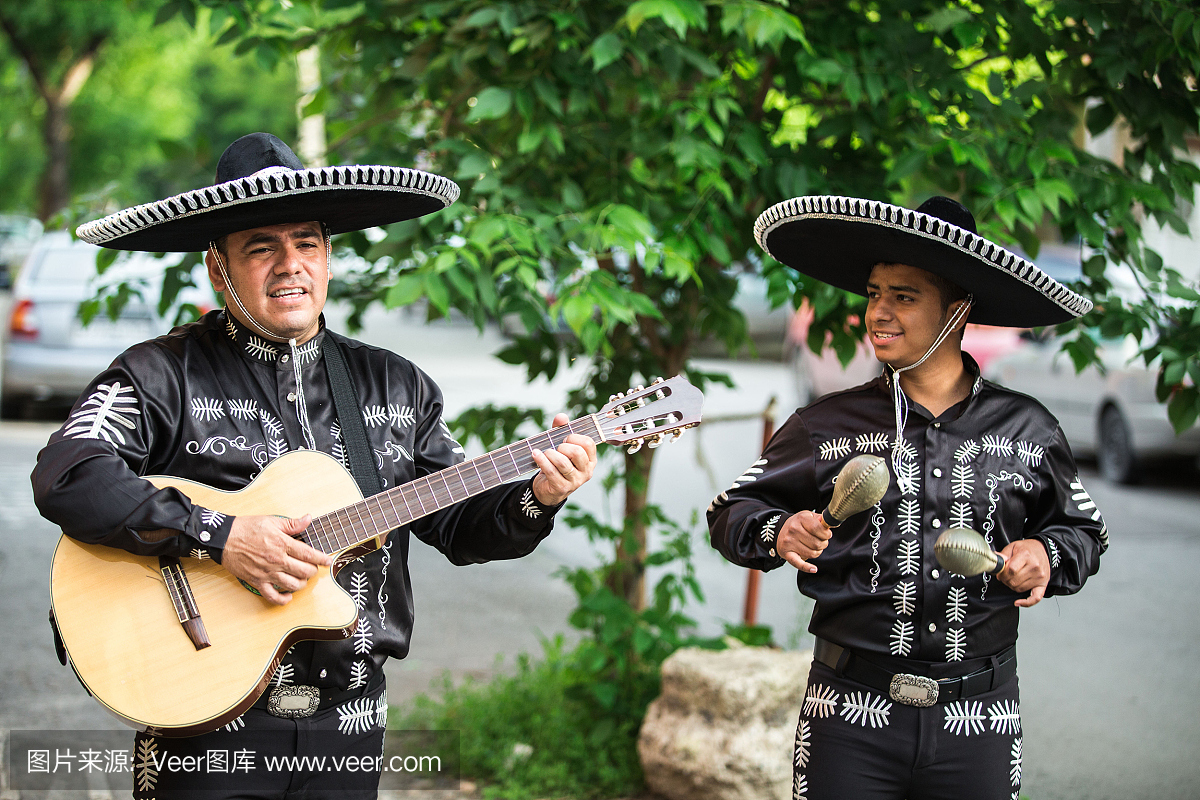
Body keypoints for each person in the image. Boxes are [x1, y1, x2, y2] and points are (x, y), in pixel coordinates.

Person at [33, 132, 598, 798]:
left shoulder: (396, 386)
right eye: (261, 247)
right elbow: (69, 472)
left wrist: (538, 494)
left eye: (306, 242)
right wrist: (221, 536)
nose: (289, 265)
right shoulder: (160, 373)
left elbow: (464, 528)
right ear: (219, 269)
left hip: (350, 722)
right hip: (201, 715)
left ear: (328, 256)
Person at [708, 195, 1107, 799]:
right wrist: (777, 531)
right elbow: (729, 513)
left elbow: (1084, 532)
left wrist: (1048, 555)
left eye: (904, 296)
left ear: (957, 309)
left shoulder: (1030, 428)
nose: (878, 313)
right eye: (873, 293)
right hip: (846, 714)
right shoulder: (828, 423)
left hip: (980, 720)